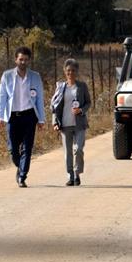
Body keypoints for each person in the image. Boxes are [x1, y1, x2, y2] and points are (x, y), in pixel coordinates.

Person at [0, 46, 45, 188]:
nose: (23, 62)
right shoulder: (7, 76)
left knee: (27, 149)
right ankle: (20, 166)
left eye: (26, 60)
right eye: (20, 59)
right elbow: (2, 97)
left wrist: (41, 119)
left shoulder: (35, 77)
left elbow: (40, 99)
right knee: (13, 149)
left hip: (29, 116)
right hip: (13, 117)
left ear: (29, 61)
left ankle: (22, 176)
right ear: (16, 60)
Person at [50, 58, 92, 186]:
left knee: (78, 149)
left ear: (77, 72)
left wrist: (81, 110)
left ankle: (77, 173)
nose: (70, 73)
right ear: (64, 71)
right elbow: (54, 106)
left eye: (73, 70)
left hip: (79, 124)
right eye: (68, 70)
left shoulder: (82, 86)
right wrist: (54, 122)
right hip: (65, 124)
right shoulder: (61, 87)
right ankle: (71, 176)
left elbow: (88, 102)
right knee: (68, 152)